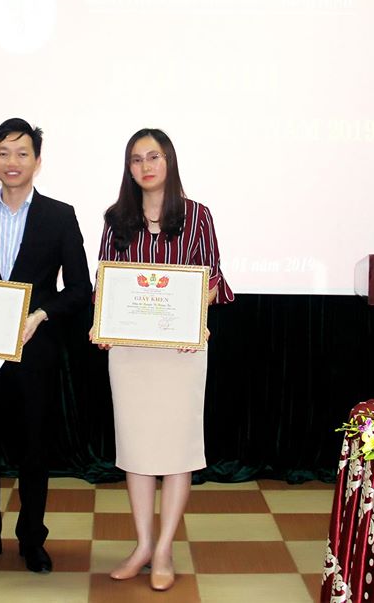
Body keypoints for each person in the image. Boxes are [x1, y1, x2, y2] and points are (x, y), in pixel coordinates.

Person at [0, 118, 91, 573]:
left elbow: (80, 288)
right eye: (3, 152)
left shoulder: (59, 215)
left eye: (22, 153)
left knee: (34, 452)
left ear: (37, 161)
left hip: (35, 352)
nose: (12, 162)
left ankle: (32, 540)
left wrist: (41, 314)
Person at [95, 128, 233, 591]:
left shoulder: (197, 215)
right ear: (129, 168)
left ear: (168, 161)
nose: (146, 166)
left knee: (176, 452)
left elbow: (212, 280)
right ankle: (142, 545)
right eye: (136, 159)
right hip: (131, 353)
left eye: (153, 157)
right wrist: (102, 324)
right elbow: (105, 281)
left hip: (181, 350)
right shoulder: (116, 218)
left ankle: (164, 549)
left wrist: (194, 319)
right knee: (136, 450)